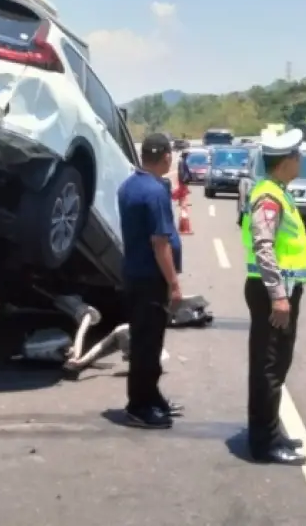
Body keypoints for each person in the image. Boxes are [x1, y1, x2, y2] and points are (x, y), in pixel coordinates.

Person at [241, 128, 306, 466]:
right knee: (268, 367)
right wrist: (278, 296)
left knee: (277, 365)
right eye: (296, 156)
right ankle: (264, 443)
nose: (300, 161)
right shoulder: (268, 197)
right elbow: (263, 246)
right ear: (285, 162)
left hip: (280, 290)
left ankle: (271, 430)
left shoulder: (278, 191)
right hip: (272, 292)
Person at [116, 133, 185, 429]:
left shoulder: (129, 185)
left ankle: (152, 396)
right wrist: (174, 284)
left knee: (148, 343)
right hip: (150, 280)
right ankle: (138, 405)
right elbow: (160, 243)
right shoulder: (155, 192)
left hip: (134, 274)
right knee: (147, 346)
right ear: (167, 157)